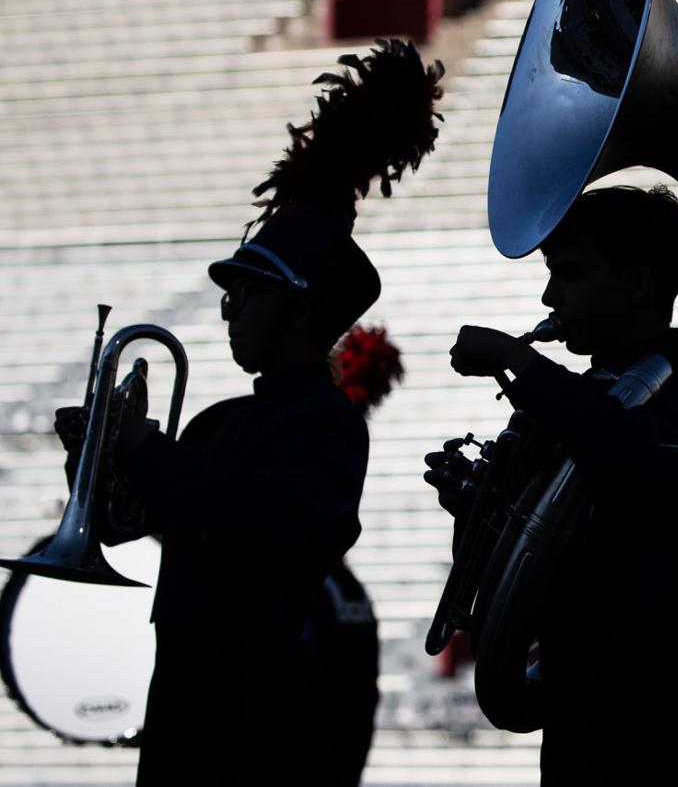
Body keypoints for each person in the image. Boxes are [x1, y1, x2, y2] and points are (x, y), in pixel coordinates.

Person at [52, 40, 443, 786]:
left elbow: (250, 519)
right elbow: (124, 524)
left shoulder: (325, 427)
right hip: (181, 698)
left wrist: (141, 448)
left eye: (249, 296)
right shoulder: (220, 422)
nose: (230, 311)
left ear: (298, 313)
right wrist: (97, 456)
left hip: (259, 711)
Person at [439, 184, 678, 786]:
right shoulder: (580, 399)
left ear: (637, 283)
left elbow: (628, 453)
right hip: (574, 691)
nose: (551, 296)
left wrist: (518, 361)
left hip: (645, 700)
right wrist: (478, 509)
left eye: (571, 275)